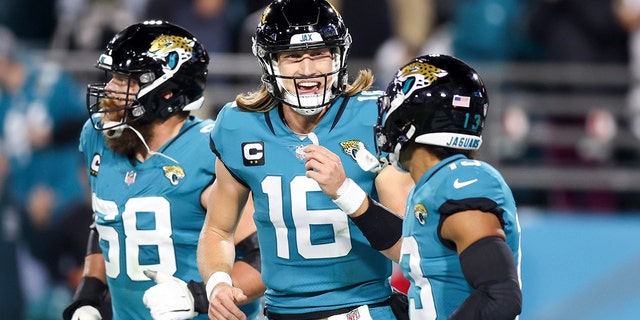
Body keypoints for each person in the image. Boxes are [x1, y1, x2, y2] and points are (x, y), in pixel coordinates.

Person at [195, 0, 414, 319]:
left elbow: (410, 249)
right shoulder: (239, 126)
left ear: (339, 56)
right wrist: (217, 284)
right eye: (294, 56)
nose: (309, 70)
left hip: (364, 308)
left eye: (319, 54)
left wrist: (345, 191)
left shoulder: (374, 118)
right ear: (270, 62)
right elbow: (217, 231)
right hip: (279, 311)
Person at [61, 20, 264, 320]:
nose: (110, 90)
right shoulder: (98, 138)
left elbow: (264, 259)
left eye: (125, 80)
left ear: (167, 93)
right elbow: (106, 221)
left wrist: (196, 296)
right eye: (112, 77)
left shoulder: (208, 150)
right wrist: (88, 296)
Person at [329, 54, 522, 319]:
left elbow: (500, 295)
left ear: (408, 122)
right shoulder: (437, 184)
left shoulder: (462, 182)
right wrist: (345, 192)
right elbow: (411, 248)